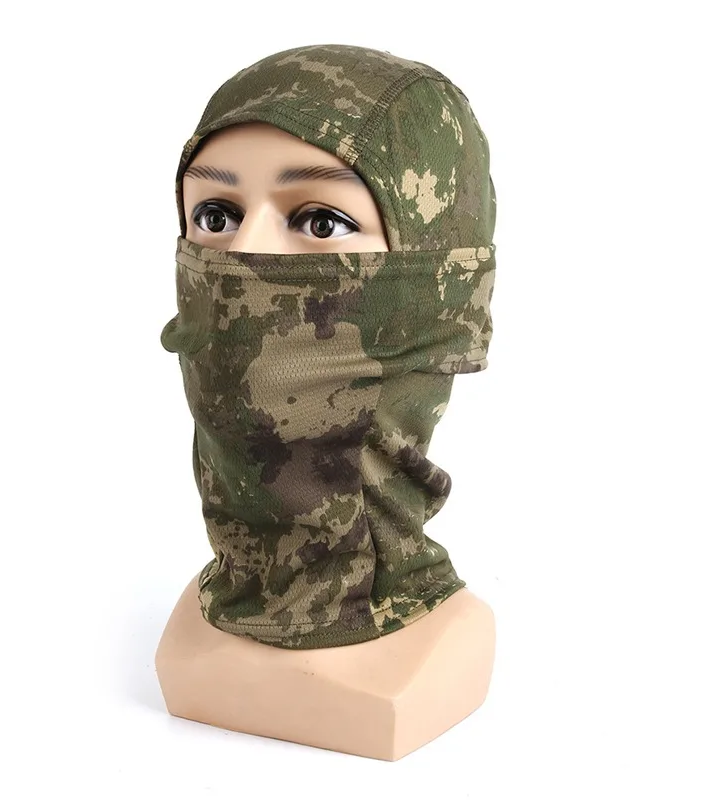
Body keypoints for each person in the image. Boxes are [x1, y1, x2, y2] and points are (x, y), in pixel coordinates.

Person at [157, 43, 498, 760]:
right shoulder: (194, 624)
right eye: (215, 215)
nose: (240, 256)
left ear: (440, 294)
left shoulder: (443, 650)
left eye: (319, 222)